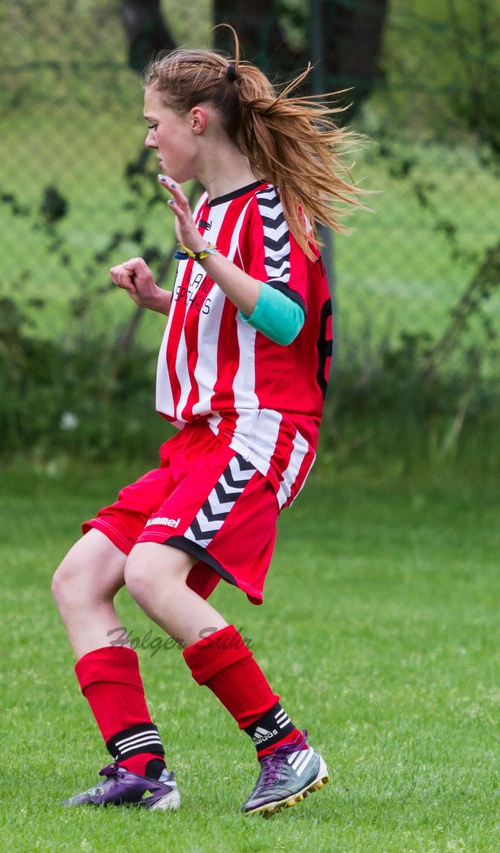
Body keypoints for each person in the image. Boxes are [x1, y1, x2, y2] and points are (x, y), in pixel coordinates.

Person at [52, 37, 366, 815]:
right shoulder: (218, 214)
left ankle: (285, 748)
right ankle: (140, 771)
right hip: (202, 436)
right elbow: (231, 315)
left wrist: (201, 253)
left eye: (155, 122)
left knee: (151, 574)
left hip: (262, 432)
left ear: (197, 119)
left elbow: (286, 319)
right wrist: (166, 294)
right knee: (80, 578)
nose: (149, 137)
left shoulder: (265, 209)